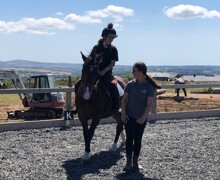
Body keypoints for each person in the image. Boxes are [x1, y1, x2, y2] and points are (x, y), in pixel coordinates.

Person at [74, 23, 120, 113]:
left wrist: (104, 71)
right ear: (104, 37)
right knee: (78, 84)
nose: (111, 39)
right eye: (109, 37)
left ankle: (116, 107)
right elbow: (91, 59)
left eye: (112, 38)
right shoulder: (96, 47)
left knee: (114, 86)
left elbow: (112, 63)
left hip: (107, 73)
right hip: (94, 73)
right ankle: (77, 106)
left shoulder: (113, 49)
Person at [121, 62, 155, 172]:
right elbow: (124, 100)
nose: (132, 73)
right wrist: (123, 113)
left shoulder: (149, 87)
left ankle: (136, 162)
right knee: (129, 139)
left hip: (141, 118)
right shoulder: (130, 84)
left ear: (141, 72)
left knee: (138, 139)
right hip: (129, 117)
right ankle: (128, 162)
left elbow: (149, 104)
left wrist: (144, 117)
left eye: (134, 71)